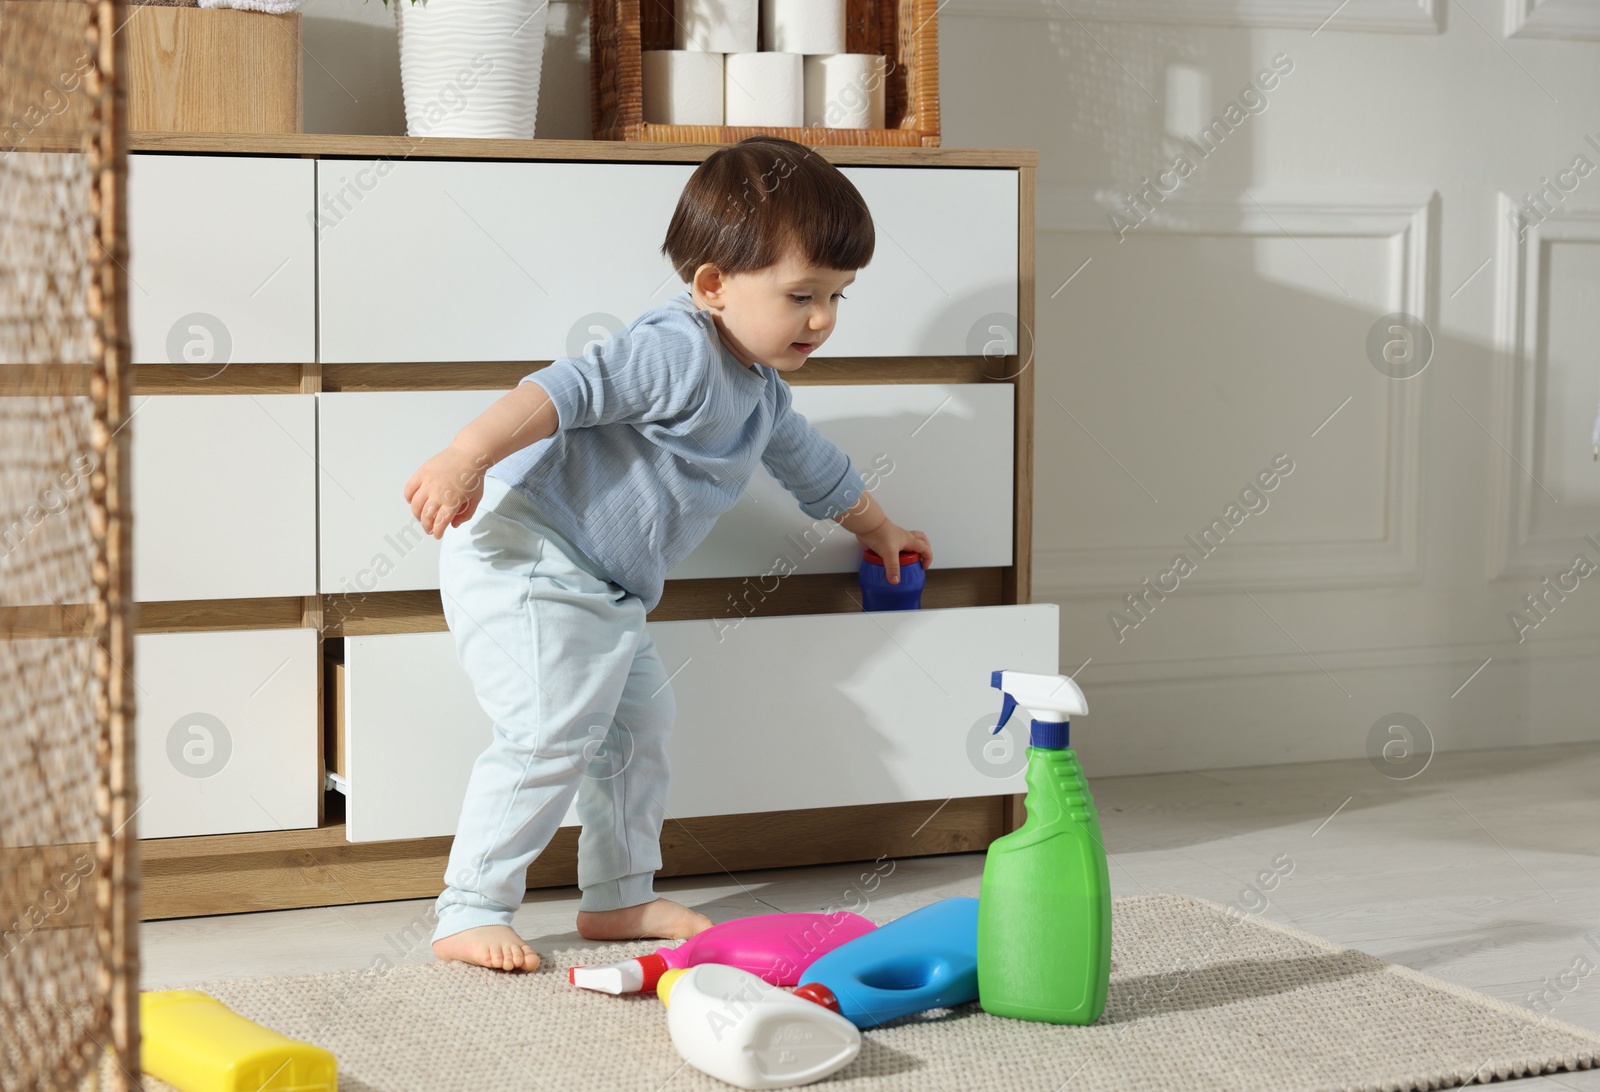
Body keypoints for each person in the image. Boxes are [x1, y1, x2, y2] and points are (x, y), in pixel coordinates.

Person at [402, 135, 933, 972]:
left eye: (837, 296)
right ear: (713, 285)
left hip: (606, 591)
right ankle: (469, 905)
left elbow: (810, 465)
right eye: (802, 295)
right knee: (548, 729)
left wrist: (876, 526)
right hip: (532, 557)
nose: (823, 319)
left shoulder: (760, 392)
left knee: (640, 729)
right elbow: (562, 389)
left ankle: (617, 897)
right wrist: (466, 454)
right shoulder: (677, 349)